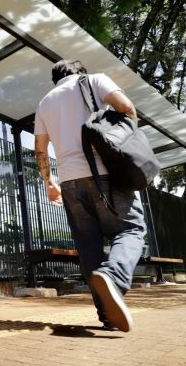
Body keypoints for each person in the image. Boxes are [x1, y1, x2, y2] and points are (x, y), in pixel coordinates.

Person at [34, 60, 147, 332]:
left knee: (88, 247)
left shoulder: (44, 103)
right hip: (106, 173)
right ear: (79, 71)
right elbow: (127, 108)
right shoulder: (95, 80)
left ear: (56, 78)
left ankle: (107, 315)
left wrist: (50, 182)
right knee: (131, 229)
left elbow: (40, 149)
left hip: (70, 181)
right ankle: (113, 276)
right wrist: (129, 146)